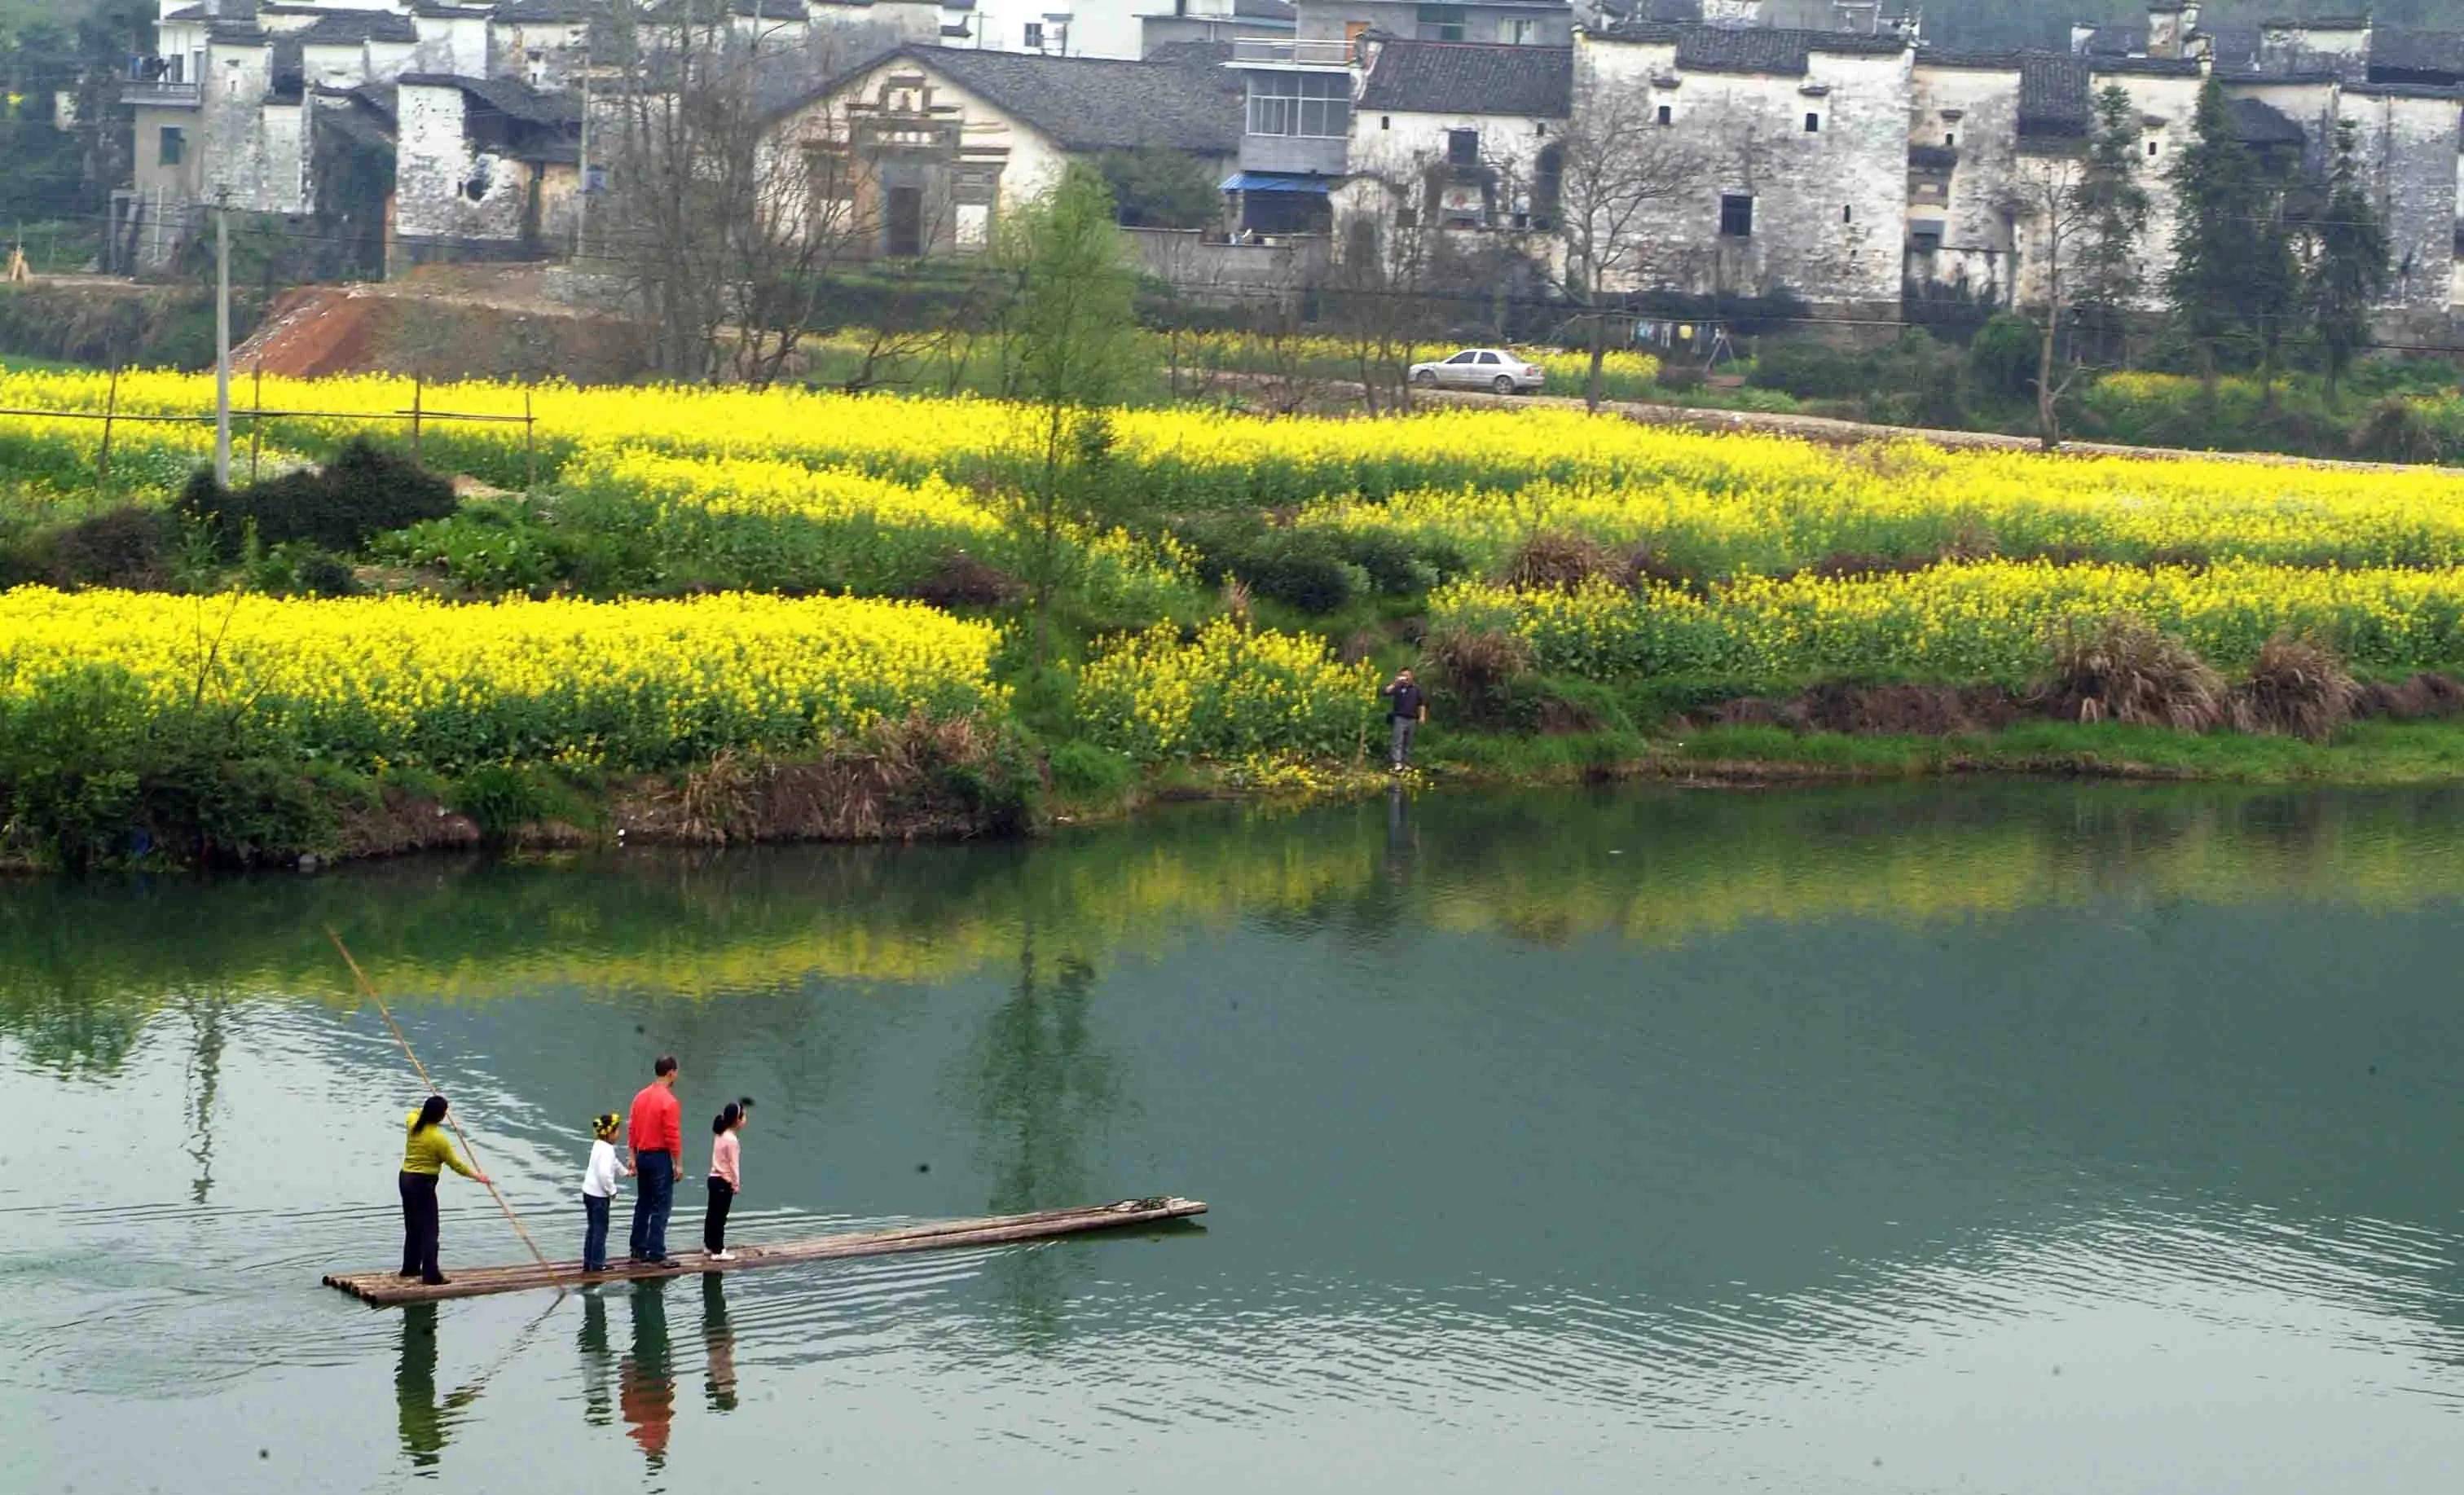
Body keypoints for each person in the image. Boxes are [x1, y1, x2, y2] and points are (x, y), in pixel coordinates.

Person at [399, 1094, 490, 1286]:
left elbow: (414, 1112)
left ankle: (410, 1269)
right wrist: (478, 1177)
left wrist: (432, 1109)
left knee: (413, 1227)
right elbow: (456, 1165)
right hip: (423, 1184)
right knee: (430, 1231)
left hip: (405, 1180)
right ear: (441, 1117)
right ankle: (431, 1275)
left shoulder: (412, 1123)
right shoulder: (438, 1139)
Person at [627, 1057, 684, 1269]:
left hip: (642, 1155)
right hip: (660, 1157)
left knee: (643, 1203)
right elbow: (672, 1136)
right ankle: (657, 1252)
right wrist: (678, 1164)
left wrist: (632, 1157)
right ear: (671, 1073)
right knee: (661, 1205)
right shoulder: (669, 1102)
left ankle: (637, 1250)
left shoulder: (640, 1097)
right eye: (676, 1072)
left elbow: (632, 1129)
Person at [581, 1111, 633, 1275]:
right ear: (610, 1133)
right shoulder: (607, 1150)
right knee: (600, 1230)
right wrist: (612, 1190)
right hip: (599, 1197)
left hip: (588, 1192)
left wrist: (626, 1172)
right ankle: (597, 1264)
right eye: (617, 1131)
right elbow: (604, 1174)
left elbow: (614, 1163)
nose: (619, 1134)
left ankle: (588, 1261)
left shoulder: (599, 1145)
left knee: (592, 1228)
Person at [703, 1097, 752, 1262]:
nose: (745, 1119)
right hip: (724, 1181)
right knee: (720, 1217)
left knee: (712, 1214)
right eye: (744, 1116)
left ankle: (709, 1245)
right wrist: (736, 1183)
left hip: (713, 1178)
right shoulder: (732, 1140)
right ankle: (718, 1251)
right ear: (737, 1121)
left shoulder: (720, 1133)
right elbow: (734, 1165)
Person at [1380, 667, 1428, 772]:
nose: (1405, 677)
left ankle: (1406, 762)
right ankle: (1397, 762)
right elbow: (1386, 692)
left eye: (1407, 675)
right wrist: (1395, 682)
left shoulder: (1416, 689)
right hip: (1399, 717)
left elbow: (1422, 704)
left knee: (1409, 742)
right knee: (1398, 740)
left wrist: (1422, 716)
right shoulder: (1397, 687)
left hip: (1412, 718)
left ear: (1411, 676)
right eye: (1403, 675)